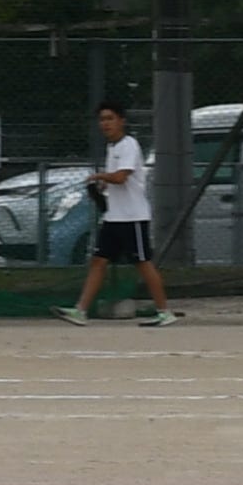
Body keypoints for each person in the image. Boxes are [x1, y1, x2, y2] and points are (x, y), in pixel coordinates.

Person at [66, 98, 174, 325]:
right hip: (114, 217)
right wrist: (102, 186)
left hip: (132, 217)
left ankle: (164, 311)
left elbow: (121, 177)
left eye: (110, 119)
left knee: (143, 263)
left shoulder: (129, 145)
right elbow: (114, 180)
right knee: (98, 261)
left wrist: (99, 177)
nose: (105, 124)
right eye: (102, 120)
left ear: (121, 121)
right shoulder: (112, 147)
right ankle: (80, 310)